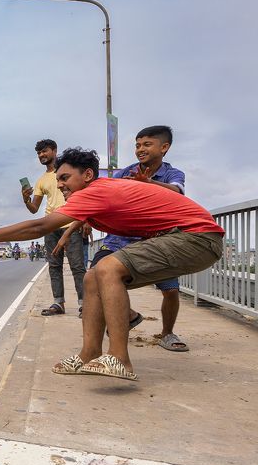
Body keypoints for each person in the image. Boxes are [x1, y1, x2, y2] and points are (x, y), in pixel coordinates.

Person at [0, 147, 224, 381]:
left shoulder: (95, 190)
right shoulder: (98, 192)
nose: (61, 185)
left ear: (87, 175)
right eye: (58, 180)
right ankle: (89, 354)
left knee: (108, 267)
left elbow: (39, 226)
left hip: (197, 238)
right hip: (183, 238)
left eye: (65, 178)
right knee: (91, 277)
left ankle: (120, 359)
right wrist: (67, 234)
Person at [77, 125, 190, 352]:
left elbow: (177, 192)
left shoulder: (172, 174)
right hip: (119, 239)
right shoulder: (126, 172)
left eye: (147, 144)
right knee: (94, 277)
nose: (140, 149)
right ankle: (123, 319)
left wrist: (149, 184)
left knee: (170, 290)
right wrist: (86, 219)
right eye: (137, 145)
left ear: (164, 147)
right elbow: (104, 196)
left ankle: (167, 333)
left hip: (155, 240)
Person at [23, 139, 85, 316]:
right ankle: (58, 303)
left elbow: (83, 194)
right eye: (39, 153)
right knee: (54, 265)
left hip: (71, 223)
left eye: (44, 151)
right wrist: (26, 199)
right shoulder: (41, 180)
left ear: (54, 150)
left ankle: (85, 304)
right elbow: (34, 209)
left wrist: (85, 220)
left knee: (77, 266)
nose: (41, 155)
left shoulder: (68, 172)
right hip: (51, 226)